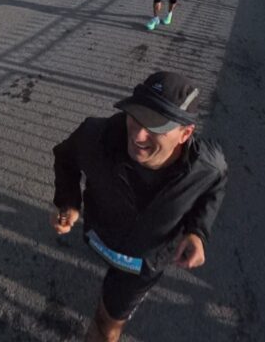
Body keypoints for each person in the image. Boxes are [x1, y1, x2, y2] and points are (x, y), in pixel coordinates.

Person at [51, 71, 228, 342]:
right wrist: (69, 201)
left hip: (144, 262)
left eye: (155, 126)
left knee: (105, 325)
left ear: (185, 133)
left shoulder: (206, 167)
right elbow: (65, 157)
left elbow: (214, 187)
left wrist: (197, 232)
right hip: (99, 234)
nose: (138, 135)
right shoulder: (95, 136)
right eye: (135, 117)